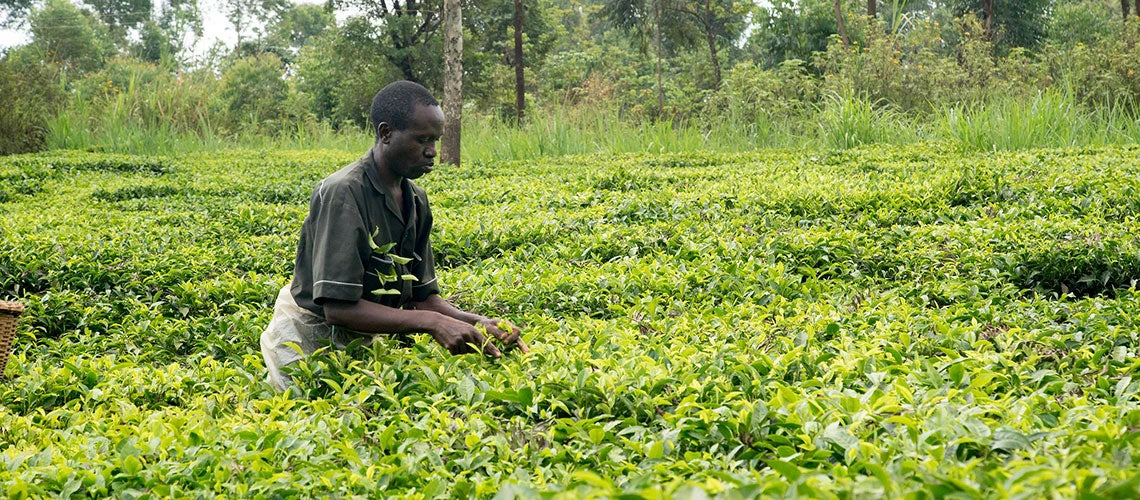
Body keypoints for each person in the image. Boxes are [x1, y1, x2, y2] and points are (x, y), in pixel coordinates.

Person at [260, 81, 528, 391]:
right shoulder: (343, 192)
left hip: (370, 336)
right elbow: (337, 308)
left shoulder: (416, 200)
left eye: (436, 140)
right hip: (308, 338)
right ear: (386, 133)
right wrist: (433, 324)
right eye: (422, 140)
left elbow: (422, 298)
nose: (432, 152)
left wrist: (476, 321)